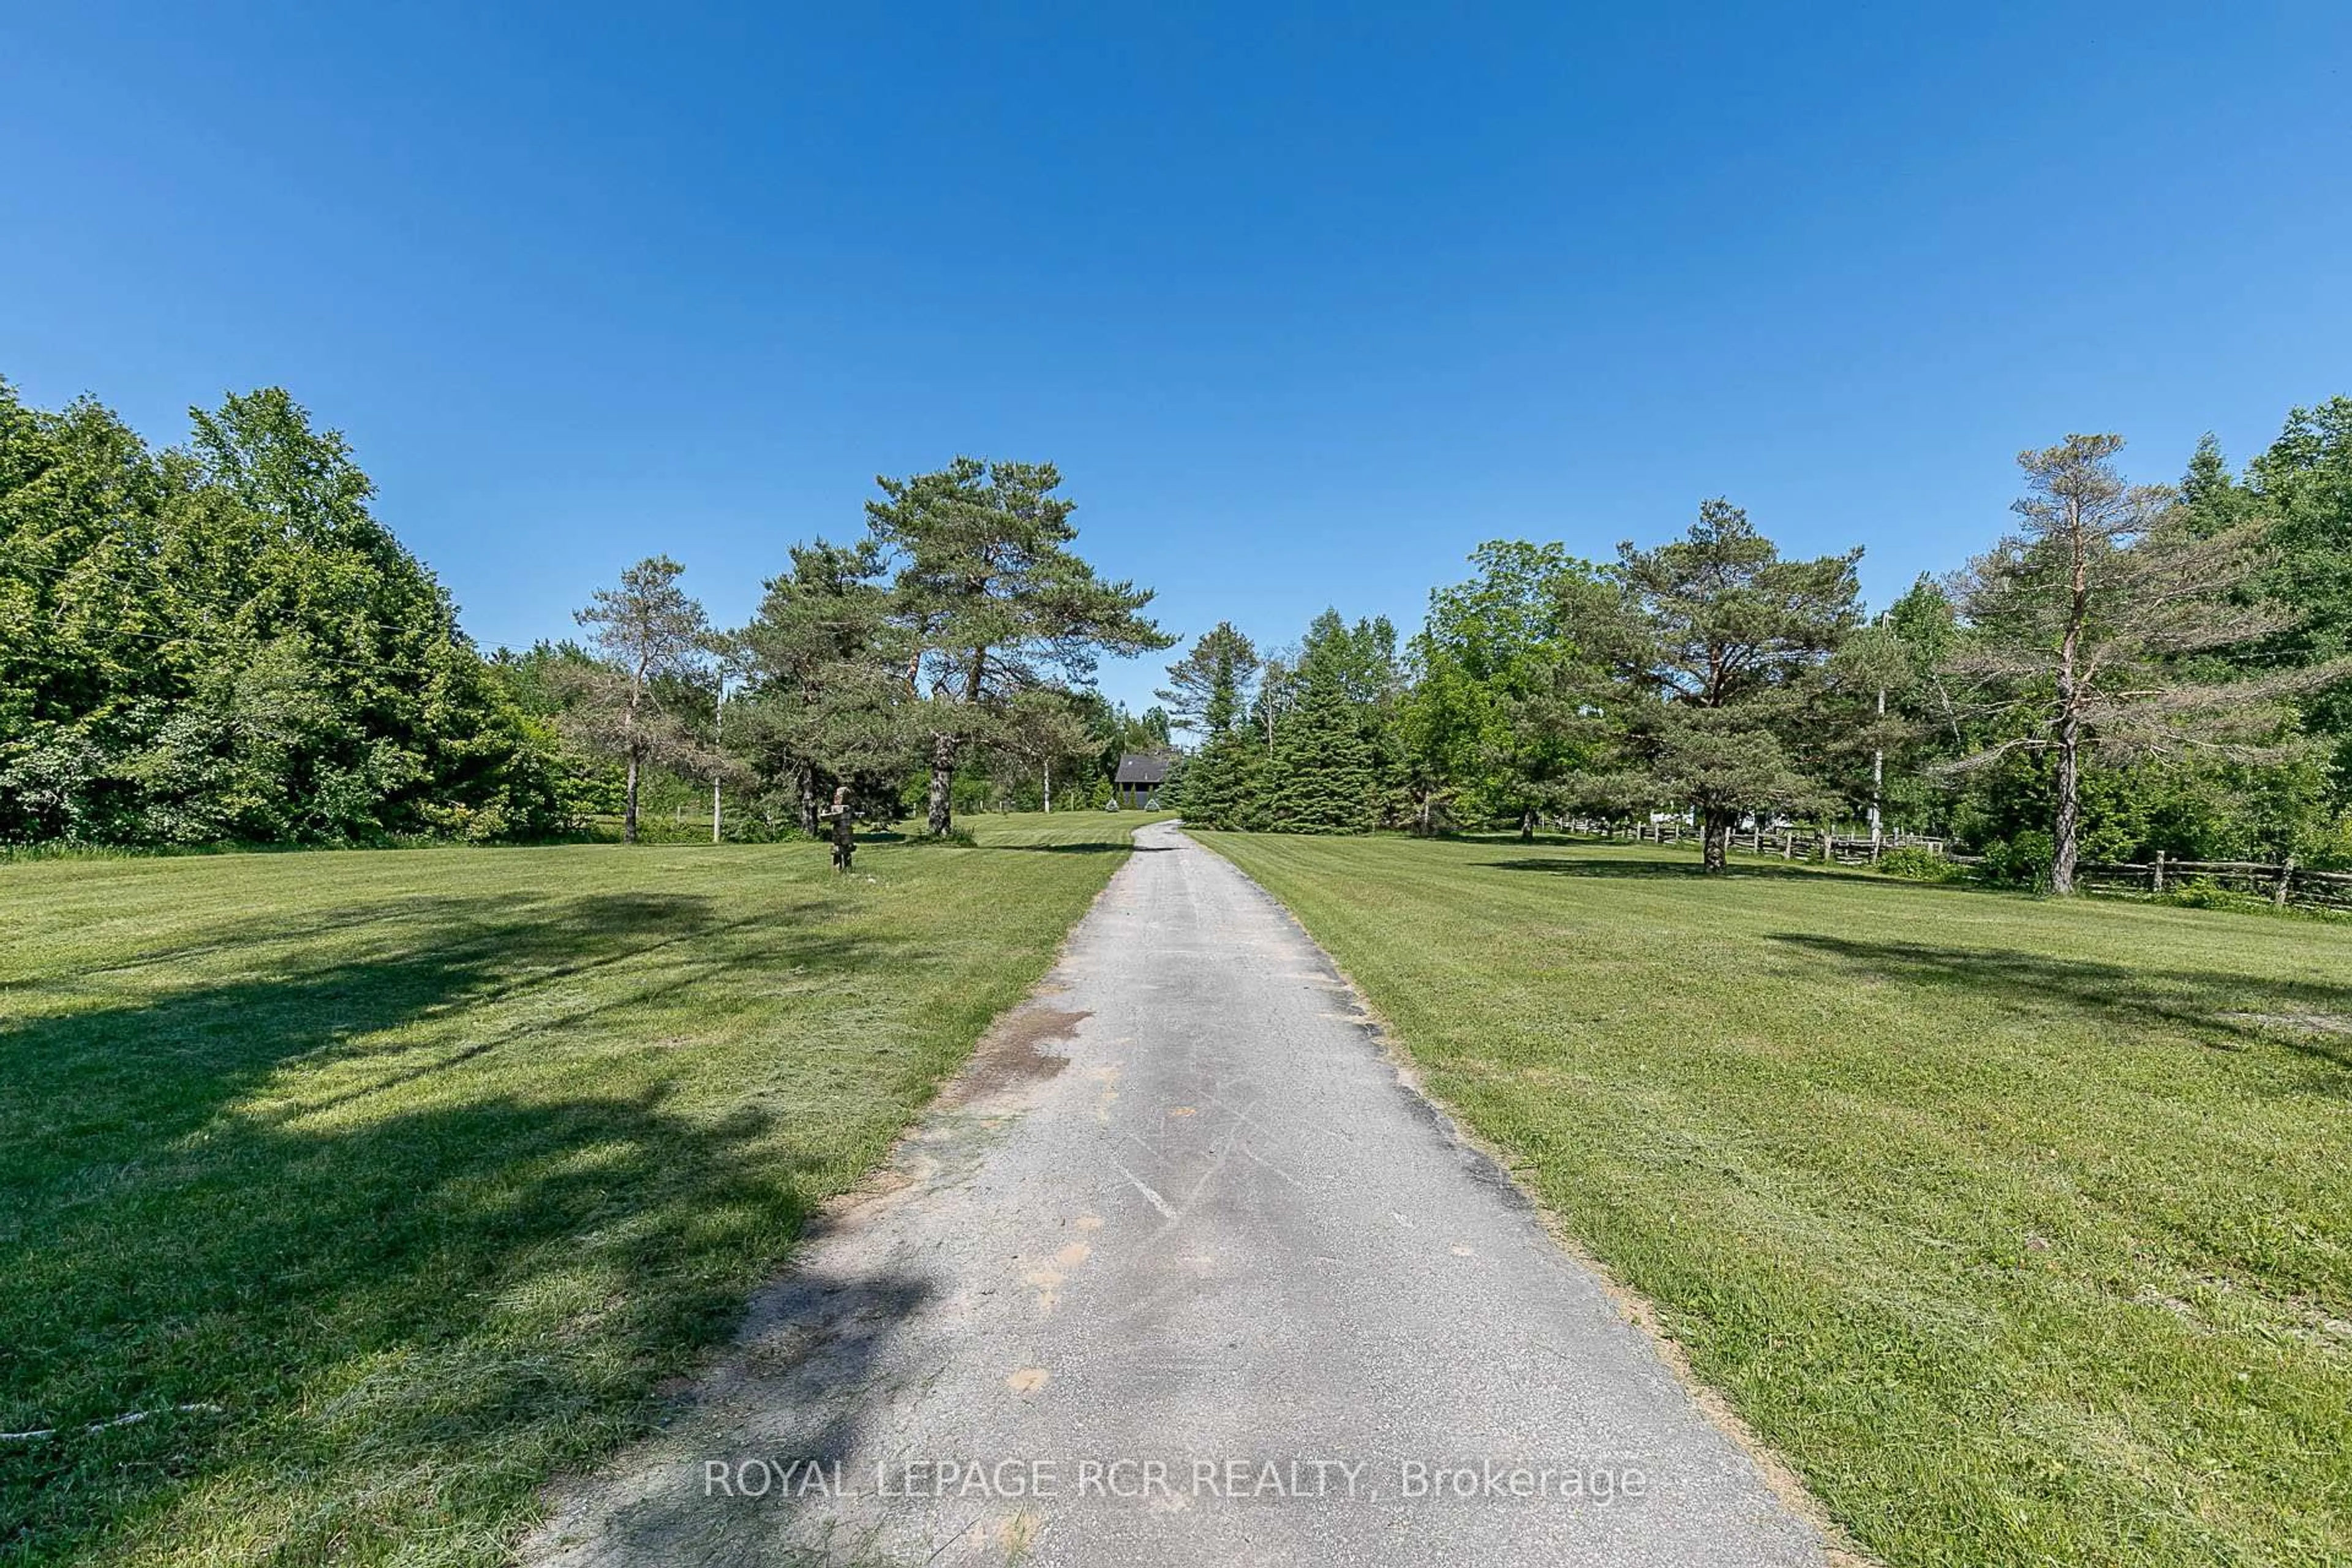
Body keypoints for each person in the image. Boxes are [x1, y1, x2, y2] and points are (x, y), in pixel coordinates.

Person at [825, 784, 856, 873]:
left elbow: (851, 816)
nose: (837, 797)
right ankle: (838, 871)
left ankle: (848, 870)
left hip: (846, 834)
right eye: (836, 795)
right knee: (837, 852)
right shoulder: (837, 809)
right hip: (838, 835)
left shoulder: (848, 808)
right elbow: (832, 817)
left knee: (847, 852)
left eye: (840, 796)